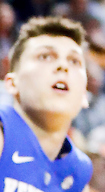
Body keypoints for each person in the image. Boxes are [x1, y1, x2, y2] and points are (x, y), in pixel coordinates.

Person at [0, 16, 93, 192]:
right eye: (45, 56)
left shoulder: (79, 173)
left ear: (84, 95)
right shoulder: (3, 134)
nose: (63, 66)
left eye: (74, 61)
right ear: (12, 83)